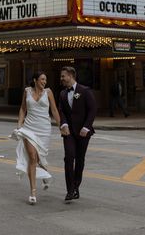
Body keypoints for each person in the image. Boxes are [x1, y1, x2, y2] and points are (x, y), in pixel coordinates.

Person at [12, 72, 61, 205]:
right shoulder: (27, 91)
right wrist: (19, 125)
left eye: (45, 80)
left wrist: (61, 126)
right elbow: (23, 108)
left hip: (44, 129)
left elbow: (55, 110)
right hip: (29, 128)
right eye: (42, 79)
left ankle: (44, 173)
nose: (44, 82)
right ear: (35, 80)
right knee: (32, 158)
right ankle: (33, 191)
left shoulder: (48, 92)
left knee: (39, 157)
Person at [58, 65, 97, 202]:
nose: (61, 78)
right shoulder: (63, 93)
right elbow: (60, 111)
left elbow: (92, 110)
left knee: (80, 159)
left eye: (63, 76)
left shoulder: (85, 91)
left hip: (82, 133)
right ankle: (70, 190)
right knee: (69, 158)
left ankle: (76, 187)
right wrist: (63, 124)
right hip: (68, 132)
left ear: (70, 76)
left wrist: (86, 127)